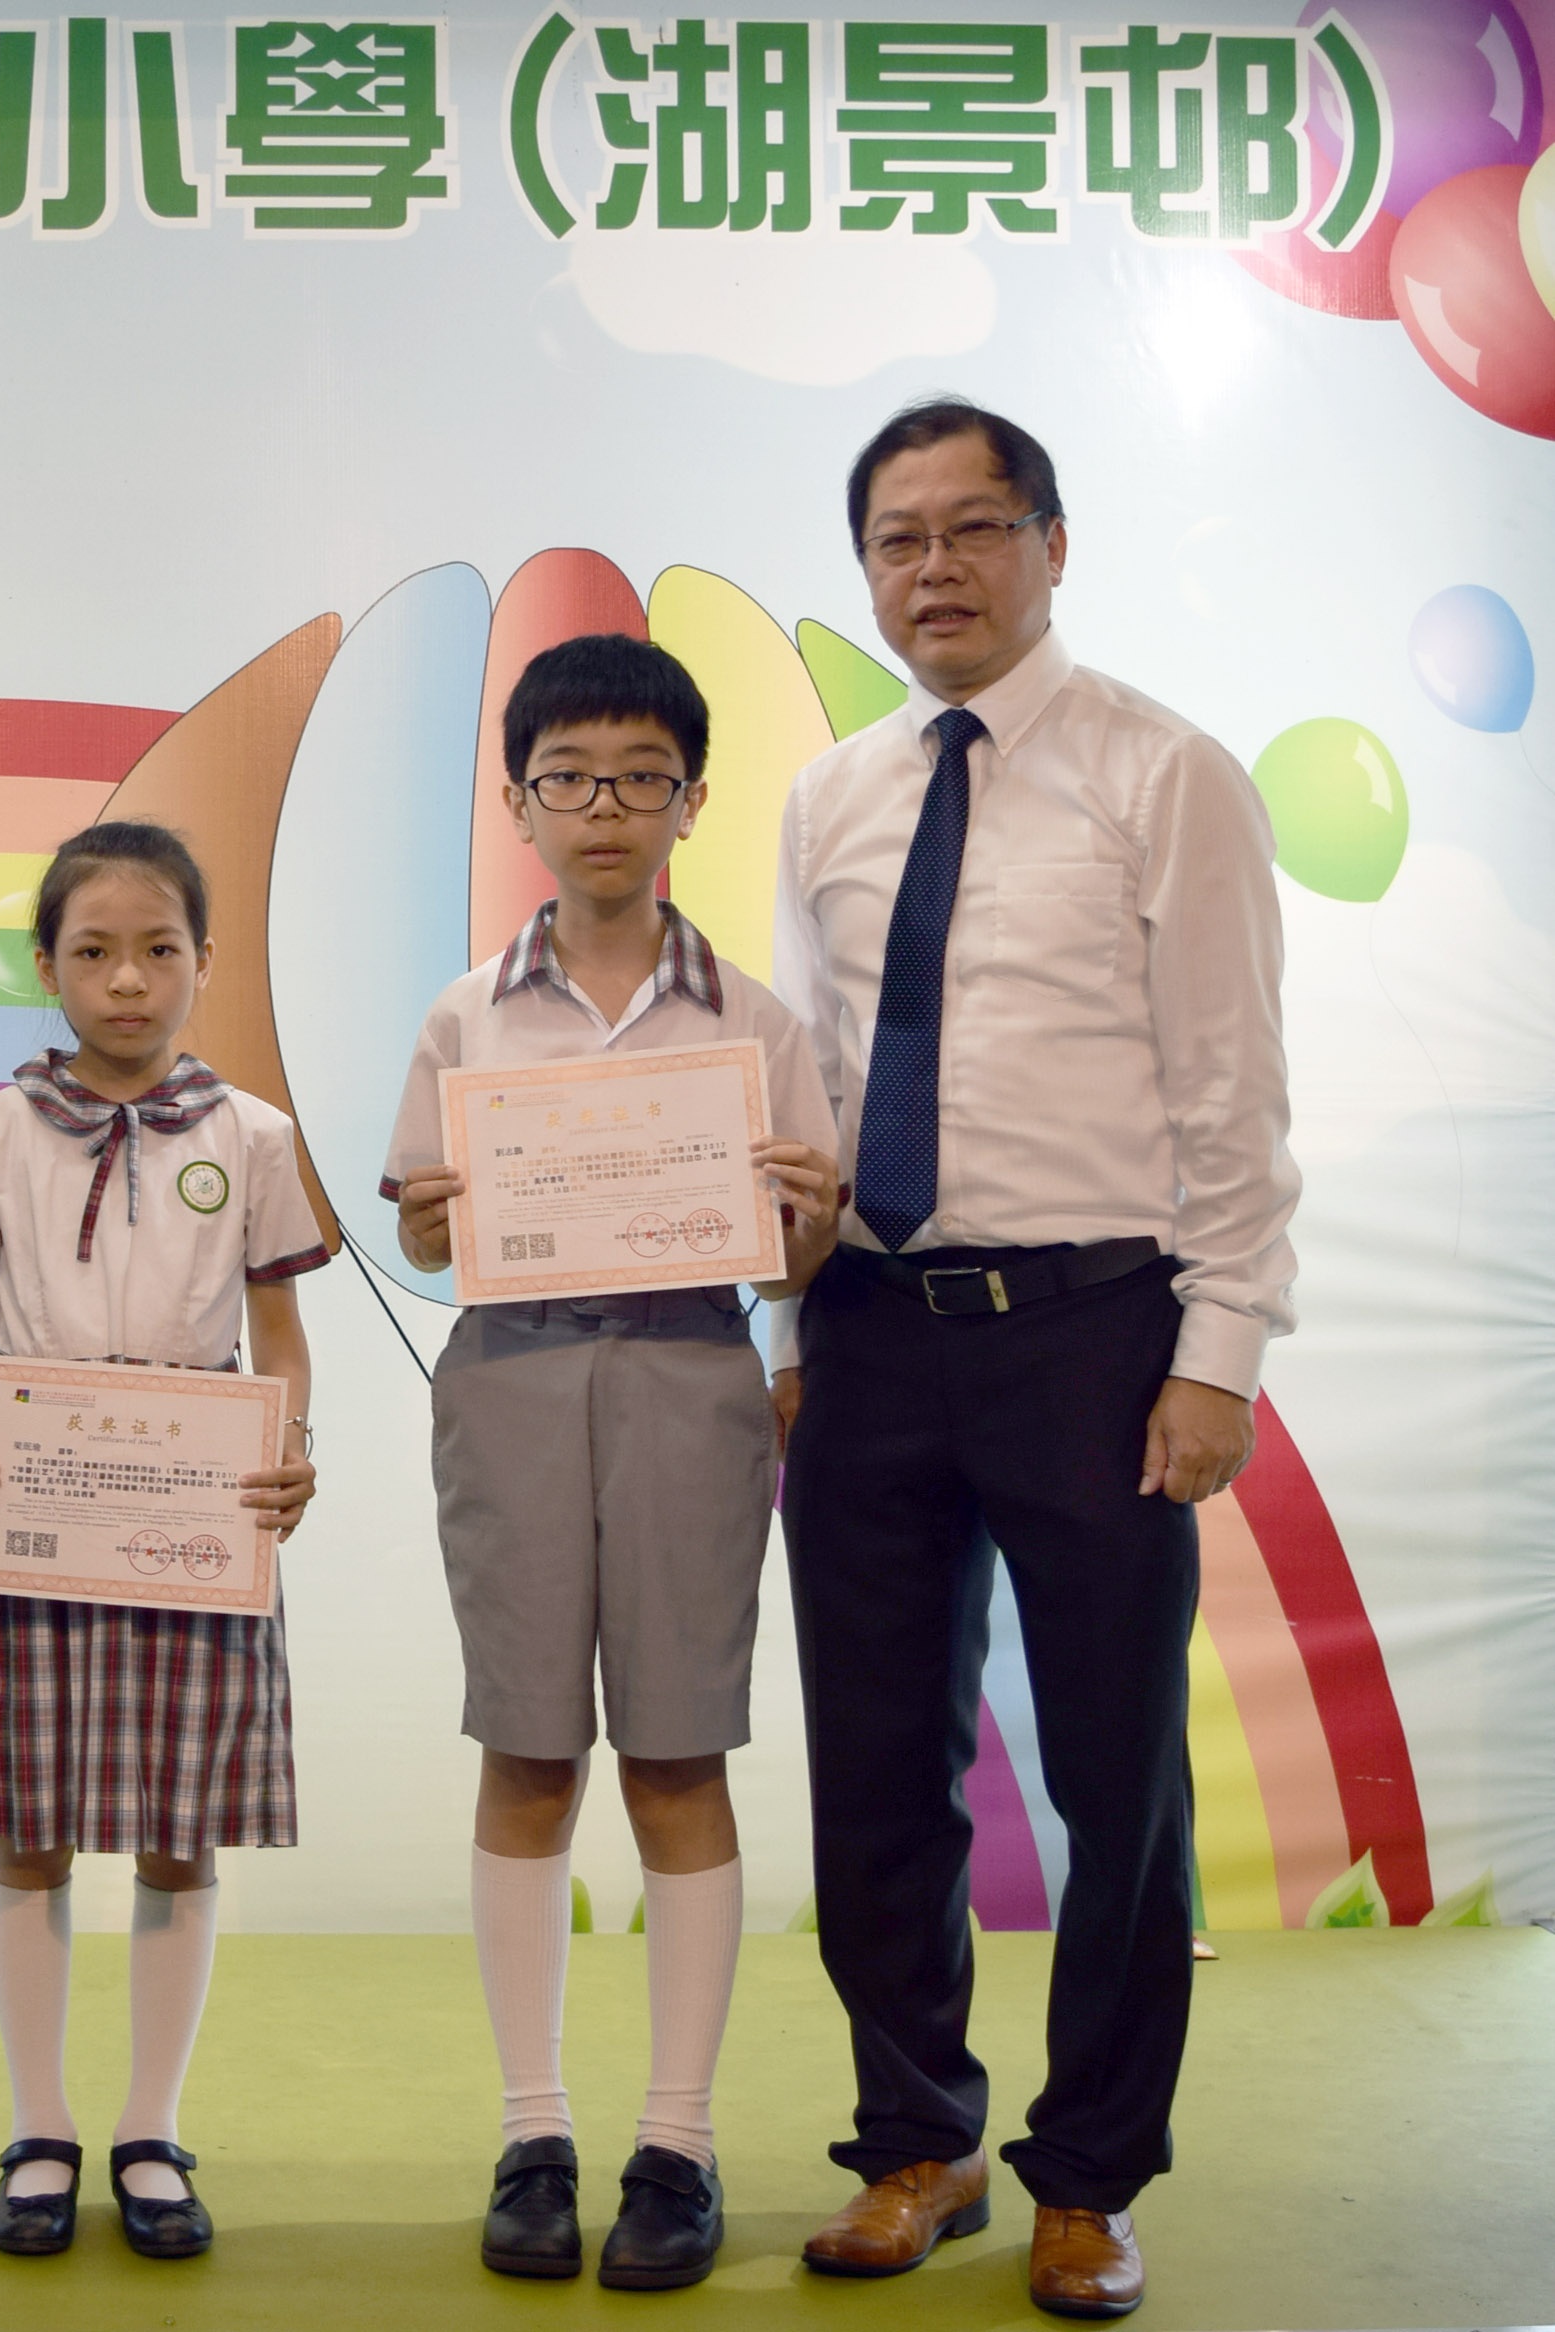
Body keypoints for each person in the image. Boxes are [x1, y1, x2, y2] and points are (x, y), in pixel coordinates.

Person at [769, 400, 1298, 2320]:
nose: (937, 569)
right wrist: (786, 1321)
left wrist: (1219, 1352)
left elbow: (1233, 1092)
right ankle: (916, 2144)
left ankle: (1090, 2177)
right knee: (875, 1769)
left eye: (975, 528)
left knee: (1115, 1777)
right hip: (866, 1332)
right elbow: (813, 1097)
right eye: (897, 539)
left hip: (1095, 1335)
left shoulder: (1170, 775)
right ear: (868, 572)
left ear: (1053, 546)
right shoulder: (829, 798)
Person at [381, 634, 841, 2290]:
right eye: (568, 777)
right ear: (518, 802)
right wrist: (436, 1215)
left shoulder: (756, 1021)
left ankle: (679, 2145)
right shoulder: (464, 1012)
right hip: (510, 1375)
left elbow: (795, 1260)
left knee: (675, 1755)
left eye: (641, 777)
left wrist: (809, 1222)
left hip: (692, 1378)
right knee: (526, 1752)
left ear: (691, 802)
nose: (603, 807)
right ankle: (534, 2134)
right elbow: (426, 1234)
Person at [0, 820, 325, 2262]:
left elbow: (279, 1330)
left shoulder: (254, 1135)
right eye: (94, 951)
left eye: (159, 949)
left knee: (176, 1831)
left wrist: (291, 1448)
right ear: (47, 965)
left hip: (194, 1516)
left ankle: (151, 2129)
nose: (128, 980)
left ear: (205, 962)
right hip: (29, 1512)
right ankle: (40, 2128)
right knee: (29, 1831)